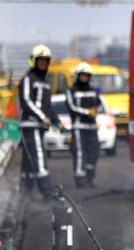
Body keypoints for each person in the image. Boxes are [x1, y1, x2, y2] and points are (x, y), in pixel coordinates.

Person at [18, 44, 63, 199]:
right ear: (34, 61)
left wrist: (58, 122)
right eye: (40, 60)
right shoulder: (27, 79)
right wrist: (41, 117)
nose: (43, 63)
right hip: (30, 126)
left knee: (28, 165)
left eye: (46, 60)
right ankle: (49, 196)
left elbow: (48, 107)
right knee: (39, 159)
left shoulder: (45, 83)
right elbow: (25, 101)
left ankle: (23, 201)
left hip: (39, 126)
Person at [66, 62, 101, 188]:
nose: (84, 78)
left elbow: (99, 104)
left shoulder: (93, 91)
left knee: (94, 152)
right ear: (78, 76)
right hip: (78, 128)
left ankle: (90, 177)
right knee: (80, 153)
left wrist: (96, 110)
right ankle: (80, 180)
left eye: (87, 76)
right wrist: (87, 112)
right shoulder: (72, 91)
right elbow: (71, 107)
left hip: (92, 127)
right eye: (82, 75)